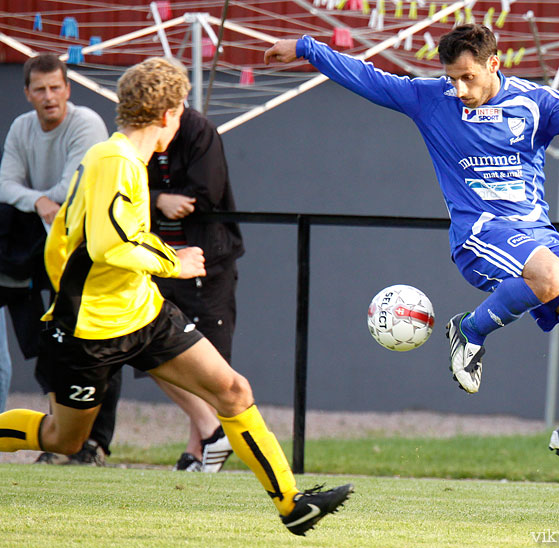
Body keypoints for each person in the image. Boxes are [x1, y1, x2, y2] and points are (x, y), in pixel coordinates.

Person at [264, 24, 559, 483]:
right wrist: (305, 47)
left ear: (493, 64)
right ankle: (470, 331)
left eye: (468, 78)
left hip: (535, 232)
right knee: (550, 276)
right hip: (480, 232)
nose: (459, 89)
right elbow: (367, 77)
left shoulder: (533, 103)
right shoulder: (430, 99)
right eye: (451, 78)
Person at [0, 56, 352, 536]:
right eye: (182, 106)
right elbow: (109, 244)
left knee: (232, 390)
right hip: (91, 327)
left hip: (142, 311)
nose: (183, 115)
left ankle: (292, 505)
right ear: (168, 113)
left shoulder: (124, 158)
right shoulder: (114, 160)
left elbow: (95, 237)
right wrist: (175, 260)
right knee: (63, 438)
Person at [0, 53, 117, 466]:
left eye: (56, 88)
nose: (49, 97)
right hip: (42, 248)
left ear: (68, 90)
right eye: (40, 89)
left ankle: (95, 443)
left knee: (95, 345)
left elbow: (74, 186)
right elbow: (6, 184)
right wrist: (41, 202)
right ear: (27, 93)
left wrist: (44, 201)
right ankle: (58, 441)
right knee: (47, 346)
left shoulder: (86, 124)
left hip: (88, 249)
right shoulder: (21, 128)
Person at [143, 106, 244, 473]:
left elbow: (206, 192)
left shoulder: (200, 130)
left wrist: (157, 199)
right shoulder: (139, 132)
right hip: (158, 263)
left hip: (206, 263)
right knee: (151, 351)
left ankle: (200, 449)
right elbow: (126, 191)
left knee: (209, 361)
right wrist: (158, 199)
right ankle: (210, 433)